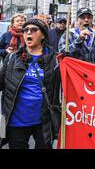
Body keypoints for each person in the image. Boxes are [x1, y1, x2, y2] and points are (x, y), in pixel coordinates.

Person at [0, 19, 60, 149]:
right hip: (16, 121)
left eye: (33, 30)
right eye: (26, 30)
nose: (28, 32)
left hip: (44, 121)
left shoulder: (55, 60)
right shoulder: (11, 58)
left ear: (43, 35)